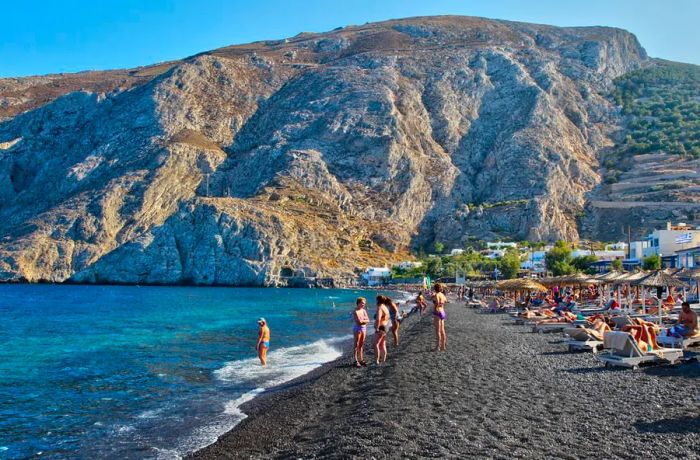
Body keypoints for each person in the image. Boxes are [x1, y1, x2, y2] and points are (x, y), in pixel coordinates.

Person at [352, 297, 369, 367]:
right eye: (362, 303)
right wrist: (364, 321)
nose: (363, 305)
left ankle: (361, 359)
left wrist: (363, 321)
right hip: (357, 329)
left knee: (361, 345)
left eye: (364, 303)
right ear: (358, 303)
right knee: (356, 344)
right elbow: (358, 322)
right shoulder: (355, 311)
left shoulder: (364, 310)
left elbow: (368, 320)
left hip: (364, 329)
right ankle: (356, 360)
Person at [374, 295, 391, 364]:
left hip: (381, 327)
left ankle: (376, 361)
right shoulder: (385, 307)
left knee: (376, 344)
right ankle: (383, 360)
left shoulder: (380, 307)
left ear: (378, 300)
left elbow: (378, 319)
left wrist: (377, 328)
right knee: (382, 344)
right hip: (386, 326)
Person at [432, 283, 447, 351]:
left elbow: (437, 302)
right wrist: (441, 304)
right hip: (442, 312)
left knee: (437, 330)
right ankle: (443, 346)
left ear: (435, 289)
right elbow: (445, 301)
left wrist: (435, 308)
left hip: (438, 312)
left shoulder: (437, 294)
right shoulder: (442, 294)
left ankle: (438, 346)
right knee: (442, 330)